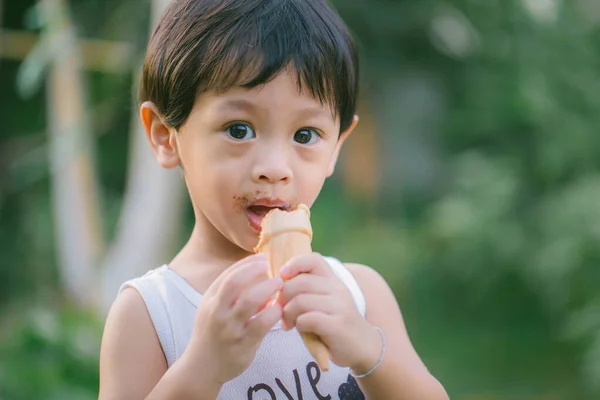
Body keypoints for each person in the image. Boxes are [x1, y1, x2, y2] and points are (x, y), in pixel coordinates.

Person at [98, 0, 449, 399]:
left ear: (336, 147)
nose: (275, 167)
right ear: (165, 136)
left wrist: (368, 350)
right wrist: (202, 369)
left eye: (305, 135)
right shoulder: (150, 314)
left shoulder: (360, 294)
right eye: (239, 129)